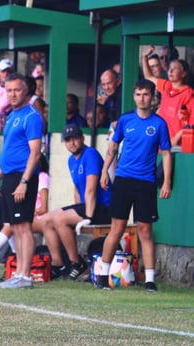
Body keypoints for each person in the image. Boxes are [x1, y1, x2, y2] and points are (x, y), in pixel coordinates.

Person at [96, 79, 172, 292]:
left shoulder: (159, 124)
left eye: (146, 95)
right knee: (117, 229)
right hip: (123, 180)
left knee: (145, 230)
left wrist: (166, 181)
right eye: (138, 94)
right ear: (133, 96)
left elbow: (166, 154)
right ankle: (102, 275)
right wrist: (104, 171)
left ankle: (149, 280)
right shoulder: (125, 120)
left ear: (152, 97)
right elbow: (113, 146)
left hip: (146, 182)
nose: (142, 99)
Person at [0, 73, 43, 289]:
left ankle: (25, 276)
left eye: (17, 90)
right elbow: (8, 150)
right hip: (9, 176)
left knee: (24, 227)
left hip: (23, 176)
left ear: (26, 91)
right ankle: (18, 274)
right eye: (9, 90)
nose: (12, 94)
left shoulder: (32, 116)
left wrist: (24, 181)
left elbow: (35, 152)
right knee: (14, 225)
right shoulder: (11, 115)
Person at [41, 124, 111, 280]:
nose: (71, 143)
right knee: (45, 219)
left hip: (102, 207)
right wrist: (76, 211)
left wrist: (87, 216)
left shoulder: (90, 154)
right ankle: (58, 265)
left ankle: (76, 263)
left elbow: (91, 189)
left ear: (82, 139)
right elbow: (77, 189)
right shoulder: (71, 160)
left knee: (60, 219)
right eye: (67, 140)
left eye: (75, 139)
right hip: (87, 205)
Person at [0, 155, 49, 263]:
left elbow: (43, 208)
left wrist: (29, 213)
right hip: (29, 214)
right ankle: (15, 254)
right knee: (9, 223)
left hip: (39, 217)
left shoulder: (42, 177)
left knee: (13, 224)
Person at [141, 44, 194, 146]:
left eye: (175, 69)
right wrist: (144, 57)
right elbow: (148, 76)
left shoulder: (189, 94)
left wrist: (174, 140)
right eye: (170, 68)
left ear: (183, 74)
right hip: (161, 142)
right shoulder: (167, 86)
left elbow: (191, 125)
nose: (170, 71)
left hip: (178, 147)